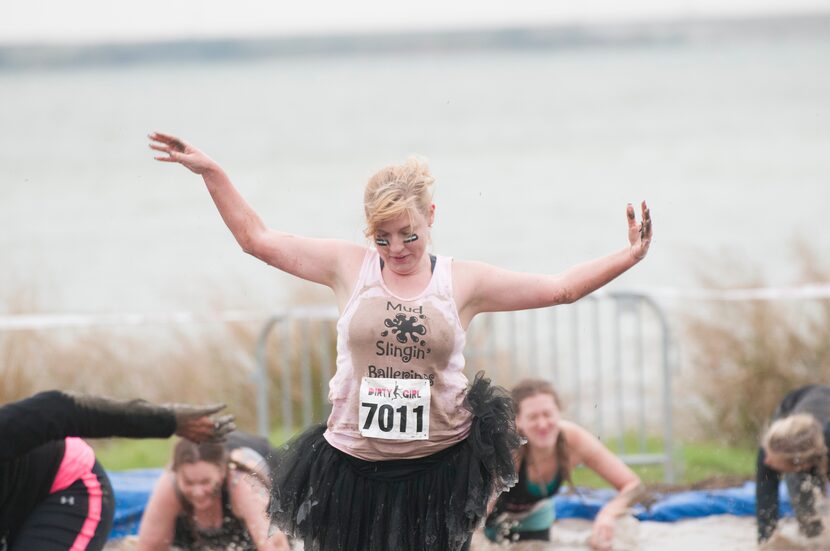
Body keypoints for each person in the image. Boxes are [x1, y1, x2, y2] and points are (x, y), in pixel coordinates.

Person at [149, 131, 653, 551]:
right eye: (383, 237)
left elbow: (560, 288)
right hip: (351, 465)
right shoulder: (348, 266)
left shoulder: (463, 282)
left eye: (409, 234)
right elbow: (256, 239)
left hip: (437, 468)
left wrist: (626, 257)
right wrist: (212, 173)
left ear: (430, 216)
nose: (397, 249)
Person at [0, 389, 234, 551]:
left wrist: (170, 420)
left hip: (69, 486)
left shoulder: (7, 429)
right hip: (18, 503)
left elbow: (65, 409)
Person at [485, 379, 643, 550]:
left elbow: (634, 485)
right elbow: (477, 515)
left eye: (548, 414)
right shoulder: (508, 449)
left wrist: (607, 515)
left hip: (534, 516)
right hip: (488, 520)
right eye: (533, 417)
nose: (543, 424)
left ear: (558, 413)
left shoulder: (574, 441)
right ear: (518, 421)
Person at [137, 431, 290, 551]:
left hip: (273, 470)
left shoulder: (242, 486)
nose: (197, 491)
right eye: (189, 483)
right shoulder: (170, 484)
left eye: (205, 482)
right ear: (177, 475)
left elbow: (276, 546)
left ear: (222, 472)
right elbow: (149, 545)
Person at [756, 384, 830, 544]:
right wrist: (766, 541)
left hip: (822, 420)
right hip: (795, 402)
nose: (766, 462)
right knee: (806, 513)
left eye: (771, 460)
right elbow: (765, 498)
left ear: (799, 464)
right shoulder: (771, 445)